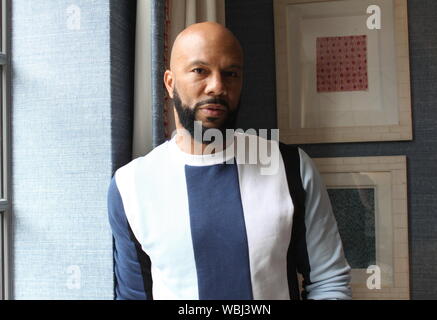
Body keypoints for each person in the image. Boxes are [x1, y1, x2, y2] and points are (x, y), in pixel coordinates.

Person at [107, 22, 351, 300]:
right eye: (200, 71)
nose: (217, 86)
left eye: (230, 73)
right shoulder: (130, 185)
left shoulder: (291, 167)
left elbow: (329, 281)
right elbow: (133, 296)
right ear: (170, 82)